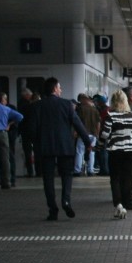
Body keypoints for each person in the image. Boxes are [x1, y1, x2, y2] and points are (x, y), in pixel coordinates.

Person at [27, 77, 91, 221]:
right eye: (60, 87)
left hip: (45, 148)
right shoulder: (66, 105)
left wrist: (36, 145)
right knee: (67, 175)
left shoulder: (37, 106)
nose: (61, 90)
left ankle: (53, 209)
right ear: (55, 88)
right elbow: (78, 124)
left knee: (48, 179)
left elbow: (31, 130)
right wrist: (87, 141)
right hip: (65, 147)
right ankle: (66, 201)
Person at [101, 89, 132, 218]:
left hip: (115, 151)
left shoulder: (110, 116)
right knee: (127, 179)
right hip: (129, 151)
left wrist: (99, 146)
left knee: (115, 179)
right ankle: (126, 202)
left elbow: (105, 134)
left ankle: (118, 205)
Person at [74, 93, 100, 176]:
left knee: (79, 152)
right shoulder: (94, 110)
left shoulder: (80, 109)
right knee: (92, 152)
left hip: (83, 134)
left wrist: (76, 132)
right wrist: (97, 133)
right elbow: (98, 123)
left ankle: (77, 170)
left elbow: (77, 122)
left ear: (83, 100)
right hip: (93, 134)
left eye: (80, 100)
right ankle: (90, 170)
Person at [17, 88, 40, 177]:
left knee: (27, 152)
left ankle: (30, 171)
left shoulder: (21, 104)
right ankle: (38, 171)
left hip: (25, 131)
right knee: (36, 151)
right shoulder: (32, 106)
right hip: (33, 131)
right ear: (26, 95)